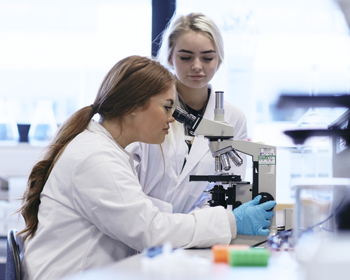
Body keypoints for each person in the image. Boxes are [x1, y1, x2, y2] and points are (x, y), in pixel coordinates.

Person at [17, 55, 275, 280]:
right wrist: (231, 221)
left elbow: (146, 217)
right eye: (166, 107)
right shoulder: (96, 158)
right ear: (133, 107)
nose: (172, 118)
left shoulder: (103, 149)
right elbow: (151, 231)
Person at [126, 13, 248, 214]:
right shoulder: (145, 108)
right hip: (142, 228)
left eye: (207, 57)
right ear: (169, 57)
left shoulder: (234, 118)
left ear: (219, 59)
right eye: (186, 57)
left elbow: (227, 187)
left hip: (199, 236)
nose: (197, 66)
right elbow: (126, 180)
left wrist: (195, 228)